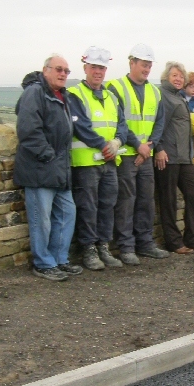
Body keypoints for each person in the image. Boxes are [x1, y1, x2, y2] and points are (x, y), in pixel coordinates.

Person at [13, 54, 82, 281]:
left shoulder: (64, 96)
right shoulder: (35, 93)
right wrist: (48, 156)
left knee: (67, 213)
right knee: (40, 219)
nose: (63, 74)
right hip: (40, 169)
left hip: (60, 170)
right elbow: (28, 130)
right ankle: (43, 263)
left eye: (66, 71)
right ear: (46, 70)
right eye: (59, 69)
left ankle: (59, 259)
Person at [106, 44, 170, 265]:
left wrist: (149, 148)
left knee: (146, 200)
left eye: (149, 65)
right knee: (126, 201)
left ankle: (145, 243)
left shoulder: (154, 91)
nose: (147, 69)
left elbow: (159, 122)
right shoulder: (116, 87)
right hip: (126, 155)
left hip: (145, 155)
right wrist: (138, 145)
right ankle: (126, 247)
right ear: (131, 62)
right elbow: (119, 121)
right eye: (144, 64)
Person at [68, 46, 128, 270]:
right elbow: (80, 127)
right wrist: (104, 144)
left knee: (107, 205)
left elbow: (122, 126)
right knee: (87, 207)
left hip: (109, 162)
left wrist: (118, 142)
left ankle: (103, 246)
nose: (98, 72)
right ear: (85, 67)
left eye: (102, 68)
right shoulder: (75, 94)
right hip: (86, 163)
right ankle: (89, 250)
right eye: (94, 67)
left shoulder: (112, 97)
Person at [154, 61, 194, 254]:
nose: (178, 79)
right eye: (174, 75)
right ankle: (174, 242)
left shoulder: (179, 97)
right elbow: (157, 125)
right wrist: (159, 148)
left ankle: (193, 239)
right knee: (168, 200)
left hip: (184, 157)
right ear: (166, 77)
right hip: (168, 156)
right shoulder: (163, 96)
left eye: (181, 76)